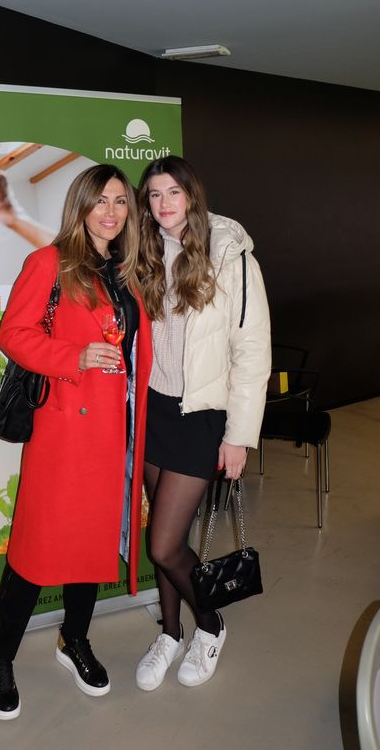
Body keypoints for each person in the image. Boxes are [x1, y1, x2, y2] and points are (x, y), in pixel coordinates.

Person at [0, 164, 152, 721]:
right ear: (80, 205)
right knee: (35, 552)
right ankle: (0, 656)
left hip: (114, 432)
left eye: (120, 202)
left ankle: (74, 640)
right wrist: (72, 357)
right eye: (100, 200)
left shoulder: (127, 271)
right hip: (66, 431)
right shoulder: (49, 262)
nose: (111, 211)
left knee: (91, 546)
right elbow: (13, 333)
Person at [134, 156, 270, 692]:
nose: (163, 204)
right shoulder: (145, 253)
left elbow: (252, 352)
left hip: (202, 415)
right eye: (154, 195)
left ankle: (210, 625)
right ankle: (170, 633)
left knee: (164, 545)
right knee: (166, 535)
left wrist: (239, 436)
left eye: (173, 192)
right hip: (154, 409)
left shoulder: (230, 256)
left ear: (192, 195)